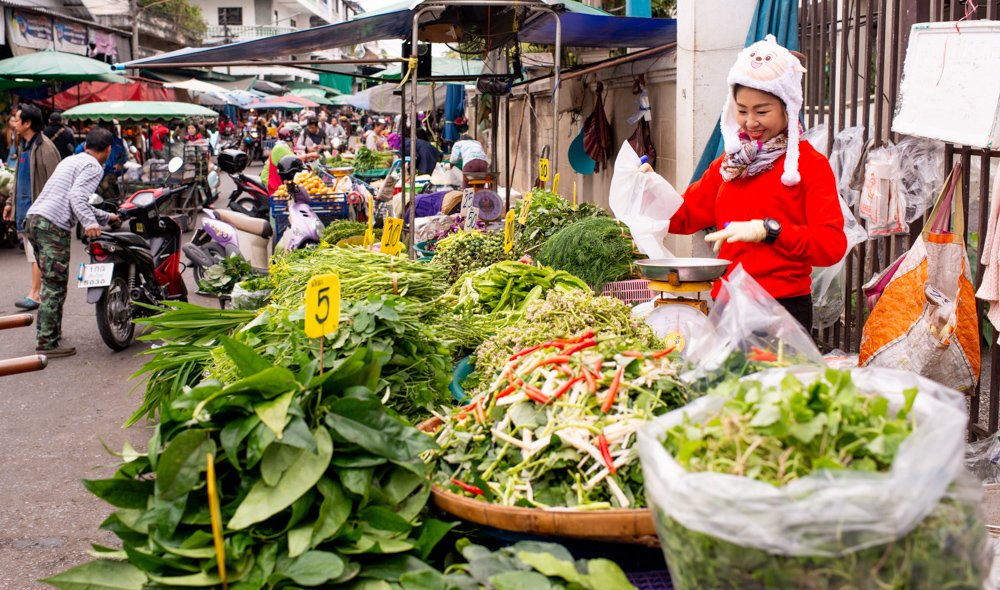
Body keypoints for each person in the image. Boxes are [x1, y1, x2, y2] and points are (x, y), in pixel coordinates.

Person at [642, 35, 846, 331]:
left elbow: (831, 246)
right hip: (728, 305)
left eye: (762, 111)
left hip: (782, 310)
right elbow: (683, 218)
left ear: (788, 108)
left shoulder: (810, 166)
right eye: (742, 110)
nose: (750, 122)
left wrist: (769, 231)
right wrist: (651, 190)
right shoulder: (730, 165)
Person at [25, 127, 119, 358]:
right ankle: (47, 342)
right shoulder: (93, 166)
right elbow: (76, 197)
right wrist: (90, 224)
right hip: (52, 225)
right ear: (108, 149)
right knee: (54, 284)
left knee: (50, 281)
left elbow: (75, 200)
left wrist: (108, 217)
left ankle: (51, 332)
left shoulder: (71, 160)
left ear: (86, 144)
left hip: (34, 220)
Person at [3, 105, 61, 310]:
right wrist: (11, 203)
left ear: (28, 123)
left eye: (17, 120)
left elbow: (57, 182)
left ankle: (36, 294)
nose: (14, 123)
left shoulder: (45, 147)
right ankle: (37, 292)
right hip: (25, 209)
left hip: (40, 212)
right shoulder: (24, 146)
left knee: (37, 254)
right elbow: (18, 178)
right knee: (32, 253)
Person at [260, 124, 300, 195]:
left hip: (275, 178)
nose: (295, 139)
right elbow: (294, 159)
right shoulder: (280, 148)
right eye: (293, 137)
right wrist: (309, 155)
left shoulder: (283, 146)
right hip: (269, 179)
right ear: (288, 138)